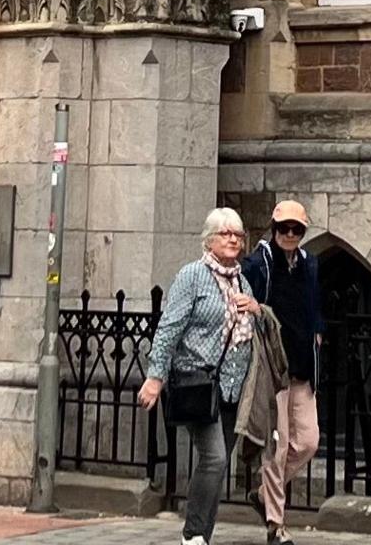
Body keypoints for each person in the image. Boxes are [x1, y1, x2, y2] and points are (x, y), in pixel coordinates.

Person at [136, 209, 262, 545]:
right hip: (198, 383)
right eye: (225, 233)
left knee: (218, 465)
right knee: (215, 457)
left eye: (237, 233)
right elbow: (168, 329)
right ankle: (192, 535)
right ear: (208, 240)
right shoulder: (192, 276)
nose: (233, 238)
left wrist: (255, 308)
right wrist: (155, 376)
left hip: (233, 389)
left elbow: (252, 330)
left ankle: (201, 535)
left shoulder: (242, 280)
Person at [239, 200, 325, 544]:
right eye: (284, 229)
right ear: (274, 230)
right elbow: (243, 288)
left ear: (303, 232)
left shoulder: (311, 263)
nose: (290, 235)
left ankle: (263, 494)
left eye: (297, 229)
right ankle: (276, 524)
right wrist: (254, 307)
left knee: (307, 442)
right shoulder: (260, 262)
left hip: (303, 368)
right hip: (274, 368)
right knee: (277, 447)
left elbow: (315, 304)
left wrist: (318, 331)